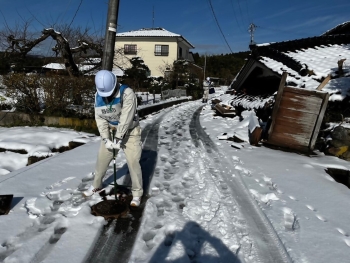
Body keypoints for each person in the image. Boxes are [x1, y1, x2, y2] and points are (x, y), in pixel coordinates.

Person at [83, 70, 143, 207]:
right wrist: (106, 139)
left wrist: (119, 138)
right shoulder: (98, 95)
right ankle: (96, 185)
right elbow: (100, 119)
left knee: (133, 162)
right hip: (110, 131)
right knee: (102, 160)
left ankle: (137, 193)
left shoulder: (127, 93)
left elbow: (126, 118)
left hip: (130, 131)